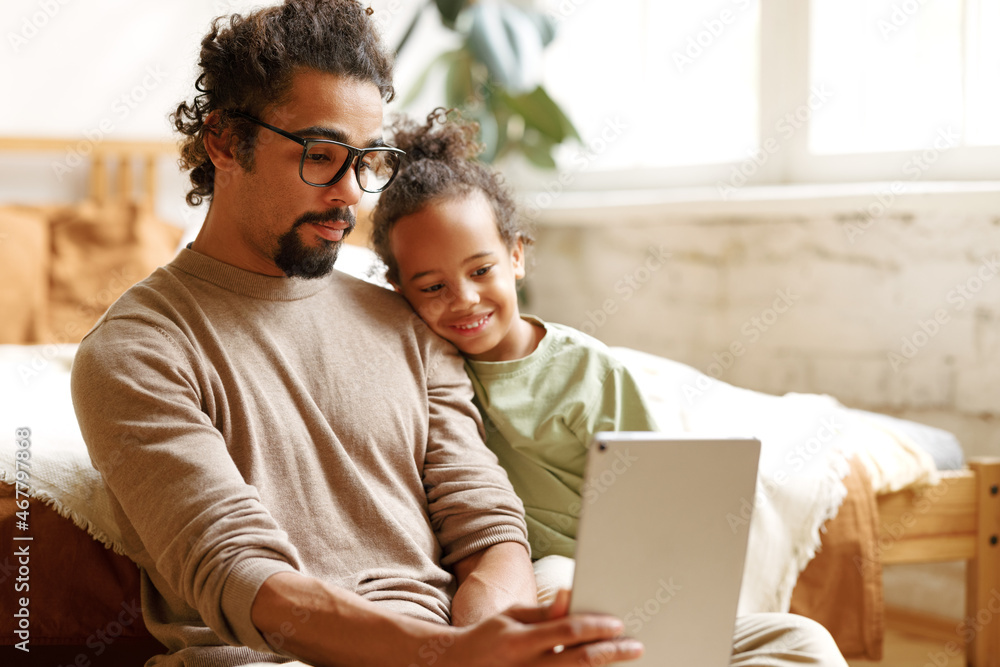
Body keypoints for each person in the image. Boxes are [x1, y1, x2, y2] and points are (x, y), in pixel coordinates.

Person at [70, 2, 644, 666]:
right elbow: (244, 578)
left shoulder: (407, 319)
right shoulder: (135, 351)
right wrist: (448, 654)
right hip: (278, 659)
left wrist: (493, 640)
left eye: (367, 161)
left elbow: (486, 520)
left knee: (787, 640)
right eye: (320, 155)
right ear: (224, 141)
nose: (351, 194)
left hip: (450, 646)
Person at [369, 109, 851, 667]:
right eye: (432, 286)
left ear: (517, 256)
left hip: (635, 590)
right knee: (552, 583)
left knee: (803, 638)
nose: (464, 299)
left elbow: (664, 497)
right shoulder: (425, 370)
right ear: (398, 290)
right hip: (543, 590)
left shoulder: (585, 372)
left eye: (481, 271)